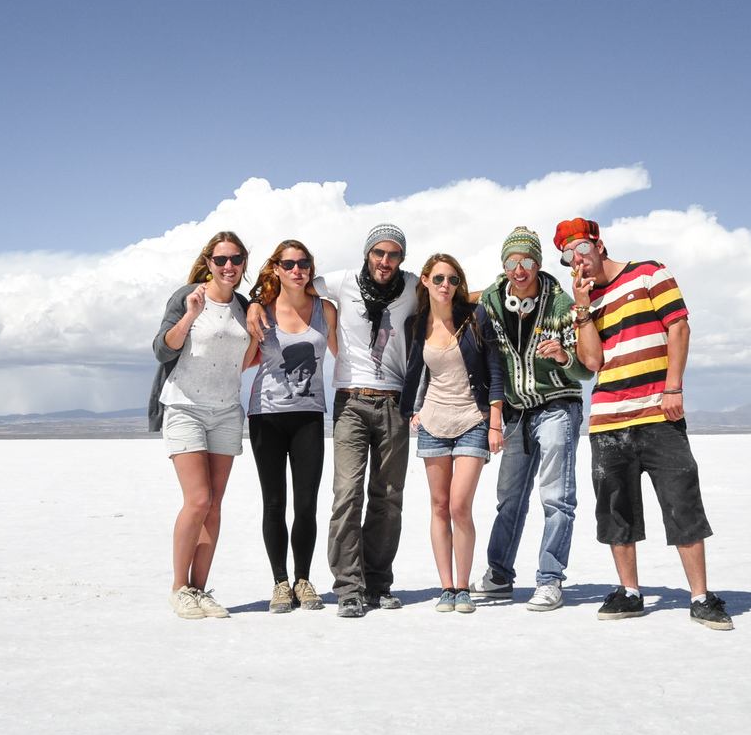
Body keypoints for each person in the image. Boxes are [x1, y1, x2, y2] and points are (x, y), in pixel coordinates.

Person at [558, 217, 734, 630]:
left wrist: (673, 388)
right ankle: (630, 592)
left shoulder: (649, 273)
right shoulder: (582, 303)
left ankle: (701, 596)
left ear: (599, 245)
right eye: (568, 255)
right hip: (607, 420)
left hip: (658, 411)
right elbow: (593, 362)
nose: (577, 259)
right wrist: (582, 309)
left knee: (681, 499)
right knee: (615, 508)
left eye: (582, 248)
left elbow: (678, 326)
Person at [250, 223, 418, 618]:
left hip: (394, 401)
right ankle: (348, 588)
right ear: (367, 254)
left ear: (402, 259)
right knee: (347, 494)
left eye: (393, 254)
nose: (385, 261)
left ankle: (378, 584)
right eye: (379, 252)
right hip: (351, 401)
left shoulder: (412, 286)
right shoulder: (340, 282)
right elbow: (291, 285)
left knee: (388, 497)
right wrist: (257, 303)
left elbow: (454, 292)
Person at [468, 227, 591, 612]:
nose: (519, 270)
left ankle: (550, 579)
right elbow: (459, 302)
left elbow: (586, 371)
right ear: (503, 266)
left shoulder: (560, 306)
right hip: (517, 412)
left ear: (538, 264)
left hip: (557, 406)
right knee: (510, 498)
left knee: (556, 497)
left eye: (527, 261)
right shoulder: (490, 301)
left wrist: (562, 358)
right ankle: (500, 575)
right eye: (511, 262)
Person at [151, 231, 258, 621]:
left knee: (214, 506)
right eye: (221, 259)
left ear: (244, 263)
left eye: (236, 259)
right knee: (197, 500)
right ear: (208, 262)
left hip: (227, 411)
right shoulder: (188, 297)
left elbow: (240, 361)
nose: (228, 266)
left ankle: (200, 588)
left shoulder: (244, 307)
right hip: (185, 407)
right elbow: (163, 348)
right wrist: (192, 315)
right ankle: (179, 588)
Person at [401, 254, 504, 614]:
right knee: (439, 506)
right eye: (440, 279)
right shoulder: (416, 324)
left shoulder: (475, 319)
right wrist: (411, 409)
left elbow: (494, 368)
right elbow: (415, 370)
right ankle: (447, 587)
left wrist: (494, 421)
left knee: (460, 505)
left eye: (454, 280)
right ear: (426, 280)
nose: (447, 286)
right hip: (433, 423)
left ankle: (464, 586)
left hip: (472, 420)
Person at [247, 240, 338, 614]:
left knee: (306, 504)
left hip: (309, 415)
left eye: (303, 264)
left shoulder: (325, 310)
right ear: (277, 269)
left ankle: (303, 578)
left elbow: (345, 355)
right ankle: (280, 583)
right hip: (266, 415)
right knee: (274, 502)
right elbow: (243, 358)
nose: (297, 270)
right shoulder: (260, 312)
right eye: (289, 264)